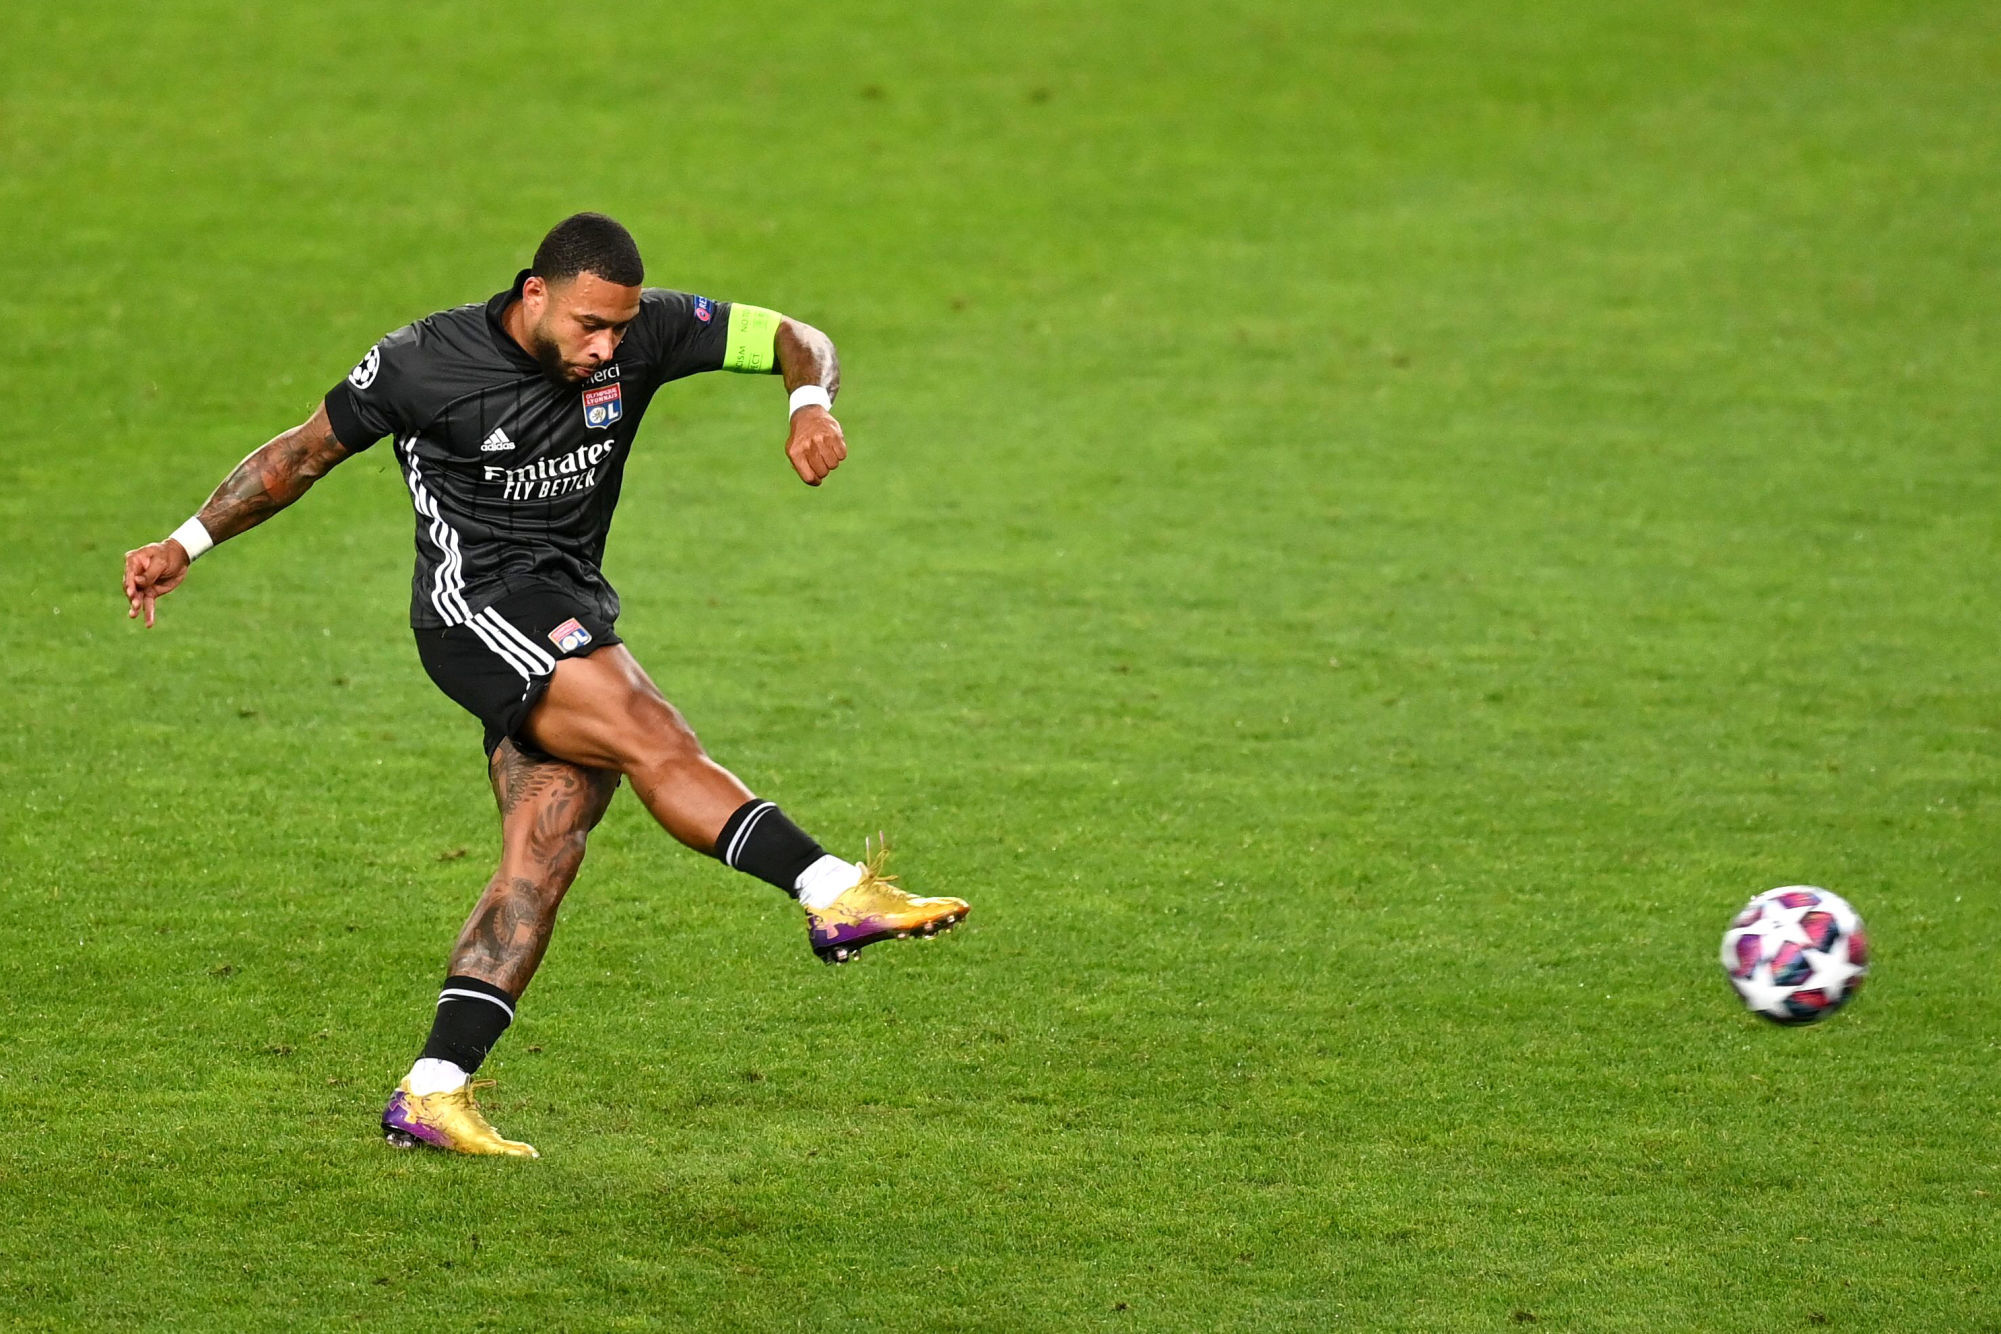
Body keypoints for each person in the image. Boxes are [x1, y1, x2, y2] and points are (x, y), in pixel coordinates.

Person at [121, 212, 969, 1159]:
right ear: (535, 294)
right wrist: (184, 542)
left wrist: (809, 403)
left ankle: (433, 1091)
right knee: (654, 734)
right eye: (587, 327)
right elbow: (300, 454)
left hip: (565, 601)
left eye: (619, 327)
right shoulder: (421, 362)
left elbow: (792, 335)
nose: (605, 347)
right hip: (474, 611)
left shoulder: (642, 329)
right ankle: (833, 891)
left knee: (545, 850)